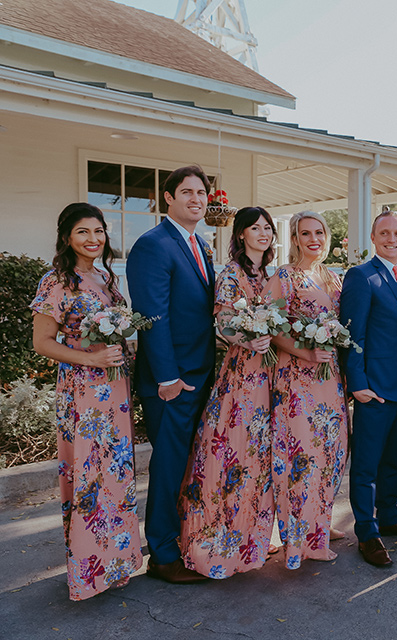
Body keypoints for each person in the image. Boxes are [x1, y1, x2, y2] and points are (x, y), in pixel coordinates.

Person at [30, 203, 142, 600]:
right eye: (83, 232)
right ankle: (87, 571)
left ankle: (116, 562)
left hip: (115, 390)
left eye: (99, 231)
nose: (94, 239)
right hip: (83, 391)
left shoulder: (106, 278)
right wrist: (90, 358)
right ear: (66, 237)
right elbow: (41, 342)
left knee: (115, 473)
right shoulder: (57, 281)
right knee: (90, 474)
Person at [127, 165, 216, 584]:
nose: (196, 199)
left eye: (201, 192)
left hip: (201, 374)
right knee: (168, 467)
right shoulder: (154, 245)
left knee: (189, 465)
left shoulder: (200, 244)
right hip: (172, 381)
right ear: (168, 197)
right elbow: (153, 316)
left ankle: (181, 538)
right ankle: (162, 555)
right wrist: (167, 378)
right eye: (187, 192)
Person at [179, 207, 277, 578]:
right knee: (233, 451)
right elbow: (222, 323)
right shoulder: (231, 275)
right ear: (241, 235)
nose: (264, 233)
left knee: (261, 457)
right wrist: (248, 338)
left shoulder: (272, 274)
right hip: (242, 378)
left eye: (268, 228)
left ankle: (254, 535)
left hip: (272, 377)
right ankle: (221, 540)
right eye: (256, 228)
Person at [340, 211, 397, 568]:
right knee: (366, 464)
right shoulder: (361, 276)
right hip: (373, 388)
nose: (392, 239)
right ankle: (367, 531)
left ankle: (390, 516)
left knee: (391, 460)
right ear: (374, 238)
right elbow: (353, 335)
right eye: (385, 233)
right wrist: (357, 383)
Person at [267, 211, 349, 569]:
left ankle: (320, 523)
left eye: (319, 232)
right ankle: (301, 539)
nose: (313, 238)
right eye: (305, 233)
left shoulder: (332, 278)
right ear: (295, 239)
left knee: (331, 452)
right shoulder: (285, 276)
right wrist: (306, 352)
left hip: (330, 381)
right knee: (302, 458)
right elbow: (270, 327)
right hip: (298, 380)